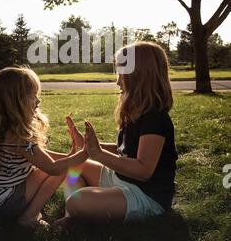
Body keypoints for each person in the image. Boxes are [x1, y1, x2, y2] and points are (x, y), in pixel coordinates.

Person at [63, 42, 178, 223]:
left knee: (77, 202)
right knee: (74, 166)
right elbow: (124, 151)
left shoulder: (155, 118)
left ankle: (77, 211)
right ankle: (71, 217)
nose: (117, 81)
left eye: (121, 74)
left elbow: (143, 170)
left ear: (139, 75)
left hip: (145, 195)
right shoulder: (135, 111)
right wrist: (89, 147)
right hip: (121, 179)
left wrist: (99, 155)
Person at [0, 66, 87, 228]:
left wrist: (68, 156)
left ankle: (27, 211)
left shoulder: (2, 128)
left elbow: (41, 155)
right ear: (16, 102)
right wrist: (84, 154)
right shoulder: (19, 137)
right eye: (33, 96)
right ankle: (29, 216)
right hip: (6, 202)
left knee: (59, 166)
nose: (38, 100)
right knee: (64, 170)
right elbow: (52, 168)